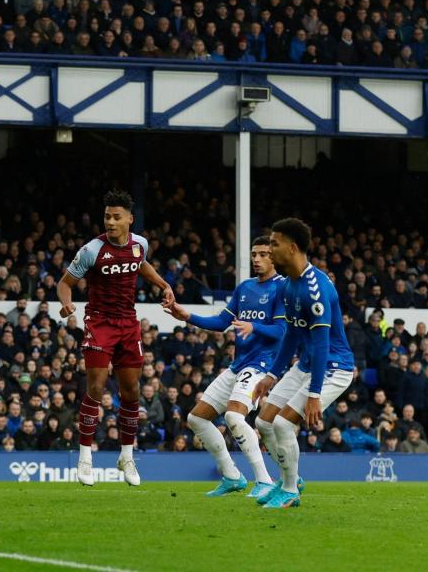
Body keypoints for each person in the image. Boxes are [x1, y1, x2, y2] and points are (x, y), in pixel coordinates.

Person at [57, 189, 174, 487]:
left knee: (132, 390)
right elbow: (65, 283)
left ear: (129, 220)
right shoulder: (91, 250)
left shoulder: (139, 245)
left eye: (116, 217)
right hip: (99, 324)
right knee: (95, 386)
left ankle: (126, 456)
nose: (110, 221)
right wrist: (67, 302)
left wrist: (162, 283)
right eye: (107, 216)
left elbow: (140, 263)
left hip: (128, 325)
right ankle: (85, 457)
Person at [164, 237, 285, 498]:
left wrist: (255, 326)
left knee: (233, 417)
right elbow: (222, 322)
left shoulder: (282, 288)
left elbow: (282, 331)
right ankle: (232, 476)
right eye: (254, 254)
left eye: (263, 254)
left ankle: (264, 480)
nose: (257, 259)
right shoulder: (245, 288)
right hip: (238, 365)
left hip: (262, 365)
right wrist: (187, 316)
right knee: (196, 418)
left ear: (275, 257)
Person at [253, 218, 355, 509]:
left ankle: (289, 490)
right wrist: (272, 375)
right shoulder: (287, 286)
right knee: (263, 421)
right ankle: (291, 479)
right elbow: (292, 336)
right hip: (307, 364)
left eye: (274, 243)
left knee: (284, 423)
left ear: (293, 247)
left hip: (333, 368)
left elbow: (323, 344)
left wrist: (314, 396)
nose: (269, 250)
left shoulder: (315, 288)